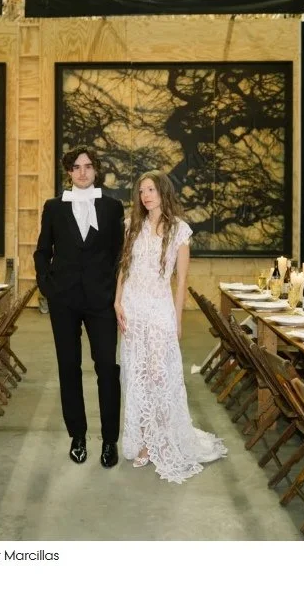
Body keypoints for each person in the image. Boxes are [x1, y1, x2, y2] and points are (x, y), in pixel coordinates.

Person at [114, 170, 227, 483]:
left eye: (151, 190)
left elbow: (181, 281)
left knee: (157, 374)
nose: (145, 196)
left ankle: (161, 438)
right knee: (136, 374)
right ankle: (143, 440)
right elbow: (124, 267)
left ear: (163, 192)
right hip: (133, 309)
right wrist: (117, 301)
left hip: (159, 309)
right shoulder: (131, 225)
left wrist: (177, 320)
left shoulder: (179, 230)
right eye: (141, 191)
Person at [34, 146, 124, 468]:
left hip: (101, 301)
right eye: (76, 167)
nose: (82, 172)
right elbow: (42, 251)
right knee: (68, 367)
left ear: (96, 170)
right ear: (69, 172)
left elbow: (119, 254)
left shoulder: (112, 208)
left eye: (87, 166)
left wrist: (115, 291)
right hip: (65, 301)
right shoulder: (54, 207)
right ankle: (78, 435)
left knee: (107, 368)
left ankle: (110, 439)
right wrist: (48, 287)